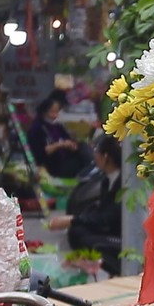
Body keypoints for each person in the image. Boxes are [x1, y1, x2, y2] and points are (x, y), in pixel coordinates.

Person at [58, 134, 125, 275]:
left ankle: (118, 269)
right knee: (76, 232)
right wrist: (76, 220)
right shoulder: (107, 180)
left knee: (86, 241)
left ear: (105, 157)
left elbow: (109, 217)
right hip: (108, 228)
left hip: (120, 235)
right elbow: (100, 211)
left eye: (97, 153)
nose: (94, 157)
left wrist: (74, 220)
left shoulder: (122, 183)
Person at [26, 89, 89, 179]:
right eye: (52, 111)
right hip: (52, 166)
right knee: (80, 164)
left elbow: (68, 139)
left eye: (57, 112)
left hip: (65, 159)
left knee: (83, 147)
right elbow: (42, 152)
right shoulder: (37, 128)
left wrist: (72, 145)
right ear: (45, 111)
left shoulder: (58, 126)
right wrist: (60, 145)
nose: (55, 115)